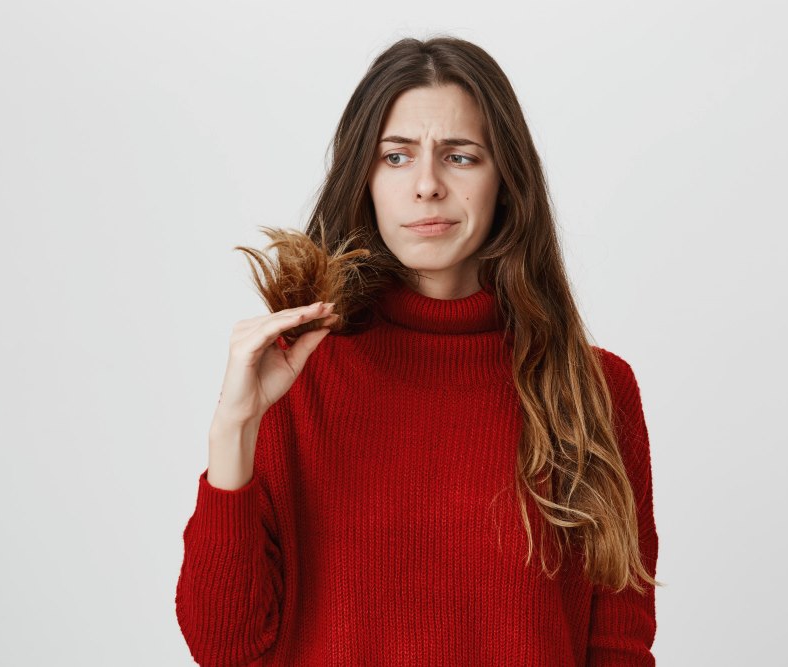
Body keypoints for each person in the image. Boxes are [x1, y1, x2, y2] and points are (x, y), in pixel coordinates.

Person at [175, 35, 661, 666]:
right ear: (365, 178)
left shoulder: (593, 388)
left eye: (460, 156)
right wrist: (234, 428)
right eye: (396, 158)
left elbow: (619, 646)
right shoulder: (293, 377)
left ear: (505, 180)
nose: (427, 185)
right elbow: (225, 648)